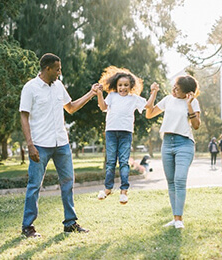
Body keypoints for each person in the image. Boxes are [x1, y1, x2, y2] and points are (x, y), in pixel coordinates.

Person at [19, 53, 97, 237]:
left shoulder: (59, 86)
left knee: (68, 182)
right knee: (34, 185)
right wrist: (30, 145)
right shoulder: (30, 88)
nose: (60, 72)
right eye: (57, 69)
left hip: (61, 143)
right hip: (40, 144)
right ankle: (27, 226)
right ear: (47, 69)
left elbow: (70, 107)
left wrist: (91, 93)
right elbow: (24, 115)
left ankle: (70, 223)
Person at [146, 75, 201, 229]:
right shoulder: (168, 99)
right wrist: (154, 93)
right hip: (167, 143)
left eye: (178, 89)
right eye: (174, 87)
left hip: (184, 143)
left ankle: (179, 219)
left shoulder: (193, 102)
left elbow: (196, 125)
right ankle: (175, 218)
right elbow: (149, 114)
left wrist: (189, 105)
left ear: (188, 93)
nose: (174, 90)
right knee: (171, 182)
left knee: (180, 179)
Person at [96, 66, 147, 204]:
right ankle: (108, 189)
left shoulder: (134, 98)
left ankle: (124, 191)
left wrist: (153, 92)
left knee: (124, 162)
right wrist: (99, 94)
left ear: (131, 86)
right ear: (115, 86)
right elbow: (103, 107)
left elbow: (148, 105)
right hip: (111, 132)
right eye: (120, 85)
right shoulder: (112, 96)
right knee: (111, 162)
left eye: (126, 85)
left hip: (126, 133)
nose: (122, 88)